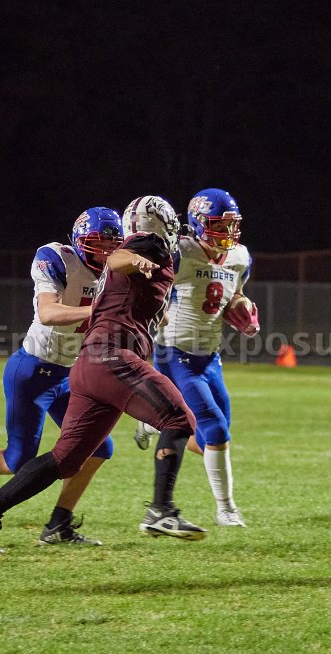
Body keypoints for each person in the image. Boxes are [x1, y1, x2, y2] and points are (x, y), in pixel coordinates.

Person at [0, 196, 202, 553]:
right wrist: (135, 259)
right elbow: (120, 258)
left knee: (66, 459)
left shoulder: (124, 263)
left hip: (88, 364)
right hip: (110, 356)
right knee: (179, 418)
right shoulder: (145, 246)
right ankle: (161, 510)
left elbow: (132, 289)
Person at [0, 208, 124, 545]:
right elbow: (47, 312)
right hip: (33, 369)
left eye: (112, 244)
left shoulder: (117, 271)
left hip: (72, 372)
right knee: (19, 459)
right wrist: (97, 310)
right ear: (80, 241)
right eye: (98, 242)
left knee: (99, 447)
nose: (106, 251)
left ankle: (59, 524)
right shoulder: (57, 258)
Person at [133, 188, 256, 530]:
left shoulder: (239, 257)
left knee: (208, 439)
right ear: (199, 223)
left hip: (210, 358)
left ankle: (152, 421)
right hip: (175, 353)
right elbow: (149, 286)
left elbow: (235, 293)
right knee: (215, 428)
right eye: (219, 225)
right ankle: (226, 509)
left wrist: (241, 306)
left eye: (232, 225)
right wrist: (154, 312)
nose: (228, 232)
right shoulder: (181, 252)